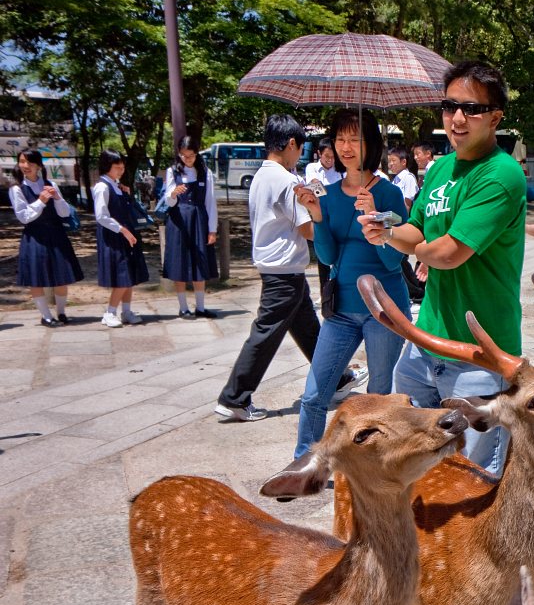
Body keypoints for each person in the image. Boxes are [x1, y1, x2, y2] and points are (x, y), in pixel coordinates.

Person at [360, 60, 526, 475]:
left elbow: (450, 252)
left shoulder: (502, 174)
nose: (457, 118)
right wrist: (385, 231)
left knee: (472, 476)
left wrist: (416, 248)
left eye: (471, 108)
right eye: (449, 106)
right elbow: (415, 229)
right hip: (423, 341)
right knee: (411, 460)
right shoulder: (439, 169)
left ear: (494, 117)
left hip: (479, 354)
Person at [215, 114, 365, 423]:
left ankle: (337, 379)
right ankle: (235, 396)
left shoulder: (262, 175)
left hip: (280, 268)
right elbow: (307, 228)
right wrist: (333, 230)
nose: (301, 153)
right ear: (291, 144)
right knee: (266, 333)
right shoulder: (285, 180)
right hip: (283, 270)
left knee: (309, 331)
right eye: (300, 147)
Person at [285, 108, 410, 462]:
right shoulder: (328, 193)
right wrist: (317, 215)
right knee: (314, 394)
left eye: (354, 138)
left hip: (384, 310)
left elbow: (393, 260)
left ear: (370, 144)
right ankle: (305, 461)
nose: (345, 146)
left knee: (378, 394)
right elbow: (326, 258)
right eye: (340, 138)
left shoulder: (388, 194)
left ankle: (374, 462)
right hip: (342, 309)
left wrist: (374, 220)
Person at [9, 148, 84, 327]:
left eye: (30, 162)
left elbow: (65, 213)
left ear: (39, 165)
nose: (25, 166)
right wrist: (41, 201)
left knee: (61, 275)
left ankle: (61, 312)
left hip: (56, 234)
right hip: (34, 236)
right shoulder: (17, 189)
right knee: (37, 278)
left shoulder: (50, 184)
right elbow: (23, 217)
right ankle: (46, 316)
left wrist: (57, 198)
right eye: (22, 162)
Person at [162, 136, 219, 319]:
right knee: (180, 263)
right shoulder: (172, 172)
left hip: (198, 221)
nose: (187, 159)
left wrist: (212, 229)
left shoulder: (205, 172)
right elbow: (168, 202)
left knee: (200, 262)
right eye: (184, 156)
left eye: (191, 155)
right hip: (178, 221)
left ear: (196, 154)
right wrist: (173, 194)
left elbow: (210, 202)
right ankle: (183, 307)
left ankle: (200, 307)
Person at [93, 150, 149, 328]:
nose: (121, 170)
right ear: (107, 166)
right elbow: (101, 216)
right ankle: (109, 312)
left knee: (129, 275)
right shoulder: (102, 187)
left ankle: (126, 311)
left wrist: (127, 194)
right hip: (114, 236)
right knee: (122, 276)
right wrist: (122, 230)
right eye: (117, 167)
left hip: (126, 235)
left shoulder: (117, 186)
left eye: (122, 167)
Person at [303, 137, 343, 291]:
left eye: (333, 157)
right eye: (327, 157)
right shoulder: (312, 168)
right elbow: (316, 186)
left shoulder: (340, 170)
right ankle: (324, 289)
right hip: (321, 215)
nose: (330, 160)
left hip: (337, 215)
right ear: (319, 154)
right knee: (323, 254)